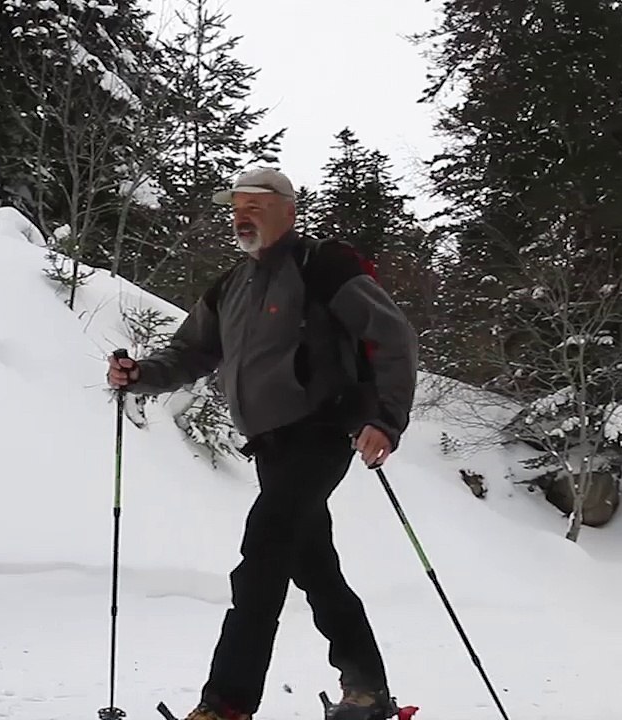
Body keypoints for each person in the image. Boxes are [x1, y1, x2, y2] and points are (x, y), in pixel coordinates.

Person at [106, 167, 419, 720]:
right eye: (236, 207)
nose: (241, 215)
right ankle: (368, 689)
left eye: (254, 204)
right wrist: (141, 375)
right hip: (270, 447)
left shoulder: (323, 268)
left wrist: (386, 418)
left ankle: (227, 703)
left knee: (262, 556)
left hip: (321, 432)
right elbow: (191, 353)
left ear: (288, 211)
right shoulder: (230, 286)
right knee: (313, 565)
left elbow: (391, 335)